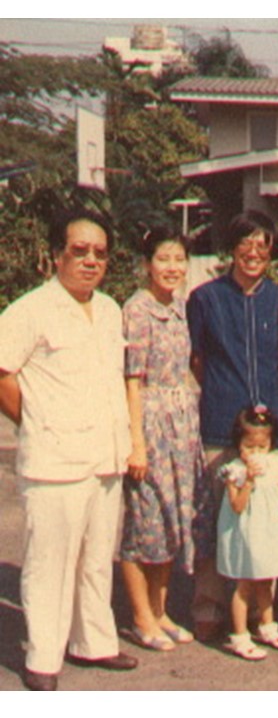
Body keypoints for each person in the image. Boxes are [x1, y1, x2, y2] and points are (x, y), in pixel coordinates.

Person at [0, 209, 138, 691]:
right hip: (55, 462)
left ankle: (93, 642)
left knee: (96, 558)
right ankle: (42, 657)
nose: (90, 261)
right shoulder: (29, 310)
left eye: (100, 253)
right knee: (50, 564)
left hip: (105, 455)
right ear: (56, 254)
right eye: (79, 251)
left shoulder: (110, 309)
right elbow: (2, 374)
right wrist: (36, 420)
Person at [187, 210, 278, 642]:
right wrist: (222, 391)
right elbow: (196, 359)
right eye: (245, 242)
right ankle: (209, 605)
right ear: (231, 247)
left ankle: (260, 612)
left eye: (262, 244)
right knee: (219, 516)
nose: (253, 252)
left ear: (272, 252)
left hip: (271, 430)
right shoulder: (205, 298)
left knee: (267, 520)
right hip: (221, 421)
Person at [120, 228, 204, 651]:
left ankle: (161, 609)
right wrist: (136, 442)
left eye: (178, 259)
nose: (172, 267)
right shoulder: (137, 309)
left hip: (182, 422)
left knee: (173, 519)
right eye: (163, 259)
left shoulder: (182, 308)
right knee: (145, 523)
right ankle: (141, 617)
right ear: (147, 264)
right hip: (149, 422)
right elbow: (131, 380)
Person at [217, 406, 278, 661]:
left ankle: (268, 626)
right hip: (247, 534)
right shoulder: (235, 471)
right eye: (249, 447)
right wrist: (249, 481)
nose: (256, 453)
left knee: (266, 579)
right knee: (245, 584)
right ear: (238, 444)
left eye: (261, 447)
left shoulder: (274, 462)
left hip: (268, 530)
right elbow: (237, 505)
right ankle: (240, 635)